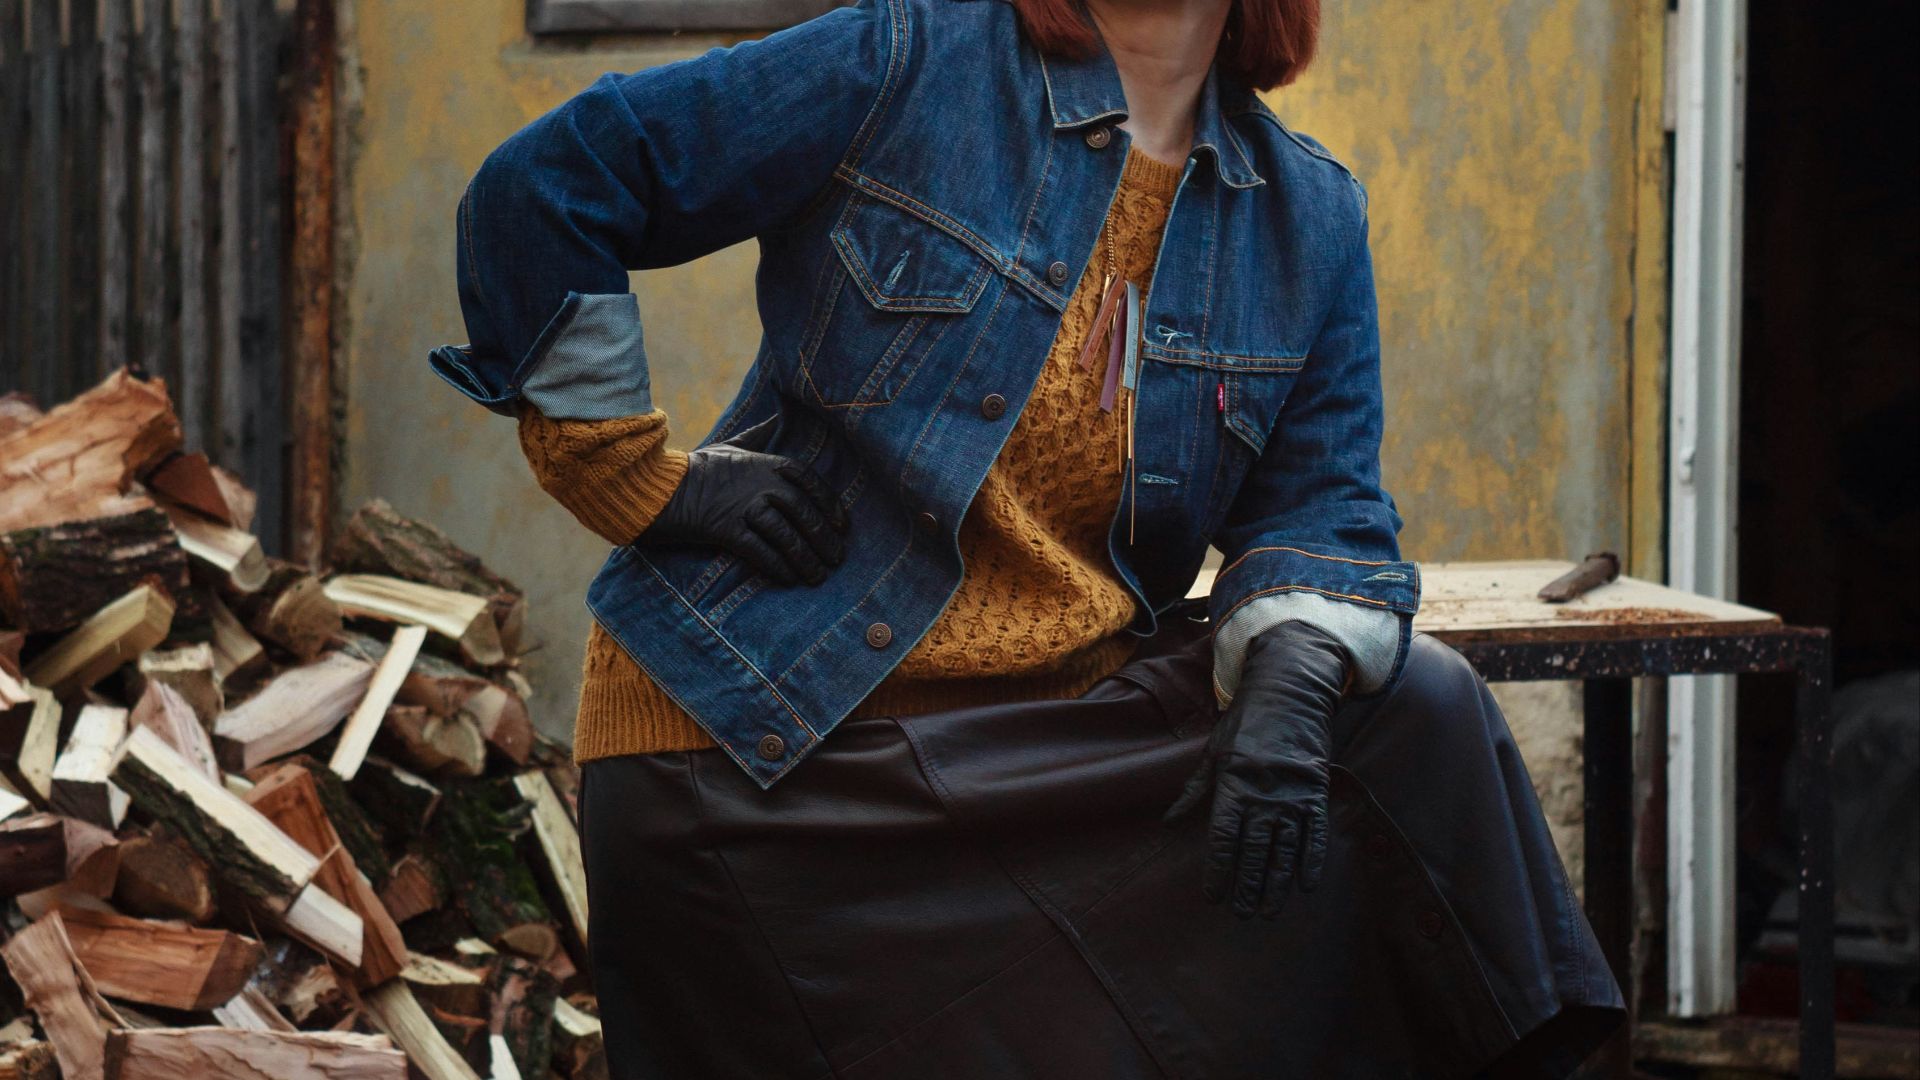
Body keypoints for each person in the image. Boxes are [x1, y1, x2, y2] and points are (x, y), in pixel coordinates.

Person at [433, 0, 1623, 1074]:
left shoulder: (1307, 218)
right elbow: (549, 186)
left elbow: (1325, 508)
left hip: (1045, 751)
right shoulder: (902, 58)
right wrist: (637, 480)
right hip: (765, 750)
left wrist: (1298, 671)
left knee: (1411, 710)